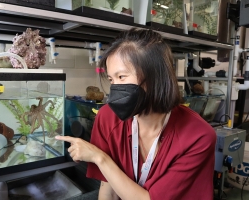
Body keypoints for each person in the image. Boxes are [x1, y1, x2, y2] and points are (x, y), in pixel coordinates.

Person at [55, 28, 216, 200]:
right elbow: (107, 187)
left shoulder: (199, 136)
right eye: (111, 79)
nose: (115, 88)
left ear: (156, 76)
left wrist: (98, 157)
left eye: (122, 77)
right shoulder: (108, 117)